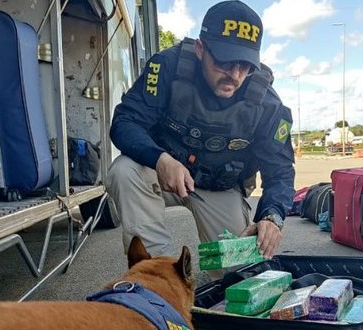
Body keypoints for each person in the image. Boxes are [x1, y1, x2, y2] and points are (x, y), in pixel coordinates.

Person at [106, 0, 295, 263]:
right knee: (124, 171)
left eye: (245, 65)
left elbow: (281, 171)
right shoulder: (167, 67)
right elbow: (125, 122)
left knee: (235, 273)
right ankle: (154, 271)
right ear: (200, 49)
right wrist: (160, 159)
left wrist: (271, 216)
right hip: (164, 174)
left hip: (219, 187)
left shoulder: (266, 102)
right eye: (225, 61)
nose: (235, 74)